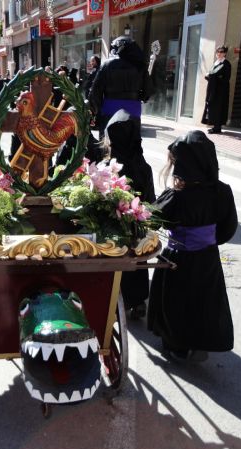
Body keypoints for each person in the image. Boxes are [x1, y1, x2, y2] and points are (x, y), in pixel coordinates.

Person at [147, 131, 238, 362]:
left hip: (179, 258)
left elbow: (149, 219)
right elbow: (228, 228)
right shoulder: (223, 191)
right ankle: (201, 341)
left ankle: (177, 345)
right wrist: (207, 240)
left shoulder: (176, 197)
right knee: (204, 301)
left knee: (176, 302)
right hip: (208, 257)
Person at [104, 109, 155, 319]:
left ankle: (120, 302)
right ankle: (139, 302)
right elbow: (151, 200)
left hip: (114, 226)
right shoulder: (144, 167)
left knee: (117, 263)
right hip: (138, 225)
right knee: (138, 262)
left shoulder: (111, 168)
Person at [89, 36, 151, 133]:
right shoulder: (140, 65)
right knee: (132, 142)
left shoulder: (107, 64)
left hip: (110, 107)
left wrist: (98, 109)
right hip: (133, 108)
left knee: (106, 141)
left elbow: (95, 90)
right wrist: (141, 97)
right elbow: (148, 91)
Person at [201, 45, 231, 134]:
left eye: (221, 52)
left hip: (220, 91)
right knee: (212, 107)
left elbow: (225, 78)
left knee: (218, 108)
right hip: (213, 89)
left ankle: (217, 127)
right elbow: (213, 75)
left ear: (225, 53)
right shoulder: (216, 63)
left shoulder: (226, 64)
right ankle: (214, 126)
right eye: (217, 52)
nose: (219, 53)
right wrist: (209, 77)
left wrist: (213, 77)